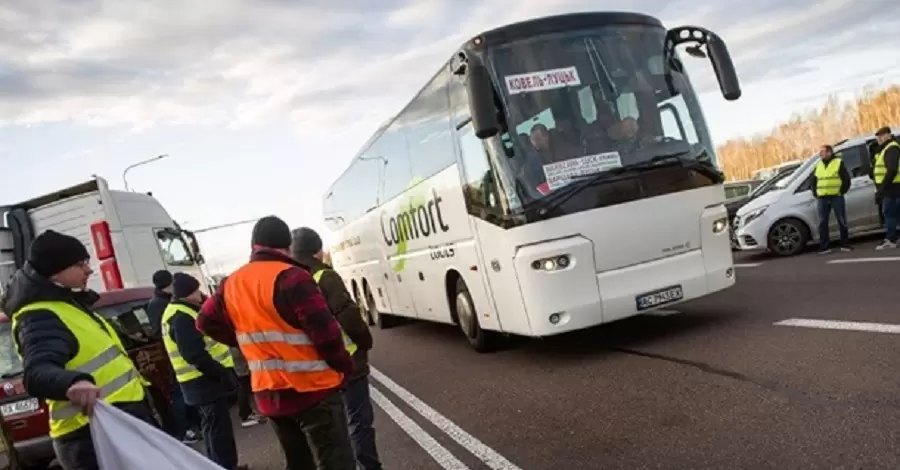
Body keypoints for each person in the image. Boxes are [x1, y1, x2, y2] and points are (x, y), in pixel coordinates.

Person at [197, 216, 357, 470]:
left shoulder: (231, 283)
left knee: (297, 464)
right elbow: (326, 334)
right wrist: (345, 368)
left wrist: (241, 340)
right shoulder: (293, 277)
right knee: (336, 463)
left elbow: (204, 322)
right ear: (286, 245)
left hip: (269, 395)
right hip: (313, 390)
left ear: (254, 246)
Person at [4, 230, 154, 470]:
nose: (89, 270)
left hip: (115, 426)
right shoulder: (39, 316)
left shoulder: (69, 304)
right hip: (90, 437)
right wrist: (72, 383)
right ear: (55, 271)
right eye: (80, 264)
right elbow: (37, 373)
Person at [291, 227, 383, 470]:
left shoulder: (291, 279)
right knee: (360, 422)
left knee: (335, 426)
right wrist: (365, 341)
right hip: (348, 360)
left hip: (318, 366)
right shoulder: (324, 277)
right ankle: (370, 466)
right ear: (318, 251)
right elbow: (348, 315)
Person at [161, 273, 246, 470]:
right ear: (187, 293)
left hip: (198, 381)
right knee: (218, 430)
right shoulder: (181, 316)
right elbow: (194, 354)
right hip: (203, 381)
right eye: (195, 290)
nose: (199, 293)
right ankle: (225, 466)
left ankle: (219, 465)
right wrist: (221, 374)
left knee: (212, 427)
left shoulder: (178, 311)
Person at [146, 269, 200, 444]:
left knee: (182, 394)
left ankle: (193, 426)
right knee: (176, 395)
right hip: (170, 356)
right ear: (167, 285)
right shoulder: (158, 305)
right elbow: (159, 332)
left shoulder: (165, 301)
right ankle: (183, 431)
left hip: (176, 355)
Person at [810, 144, 852, 254]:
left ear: (829, 152)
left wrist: (841, 191)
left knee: (841, 220)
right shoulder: (818, 165)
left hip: (836, 196)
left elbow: (846, 179)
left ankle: (845, 244)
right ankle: (825, 247)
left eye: (823, 152)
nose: (821, 154)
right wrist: (816, 192)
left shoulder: (838, 162)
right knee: (823, 223)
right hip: (822, 198)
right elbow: (813, 181)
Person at [873, 126, 900, 250]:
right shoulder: (884, 150)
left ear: (889, 135)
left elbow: (892, 170)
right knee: (894, 213)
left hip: (892, 187)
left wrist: (882, 188)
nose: (879, 139)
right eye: (878, 136)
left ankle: (891, 239)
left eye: (882, 136)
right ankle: (894, 237)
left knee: (889, 213)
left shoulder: (891, 148)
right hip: (890, 187)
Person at [229, 345, 265, 428]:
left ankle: (246, 413)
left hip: (233, 353)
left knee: (243, 384)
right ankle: (246, 414)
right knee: (244, 384)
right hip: (236, 350)